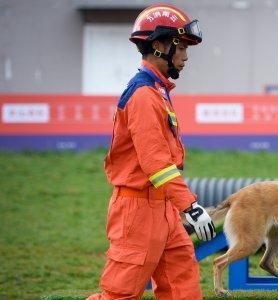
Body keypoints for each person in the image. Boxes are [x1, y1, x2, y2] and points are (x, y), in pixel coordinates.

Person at [87, 4, 215, 300]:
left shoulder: (157, 90)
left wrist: (178, 206)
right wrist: (191, 207)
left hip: (162, 208)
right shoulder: (145, 95)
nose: (185, 56)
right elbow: (156, 163)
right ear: (158, 46)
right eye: (181, 47)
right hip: (138, 212)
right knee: (120, 294)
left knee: (182, 286)